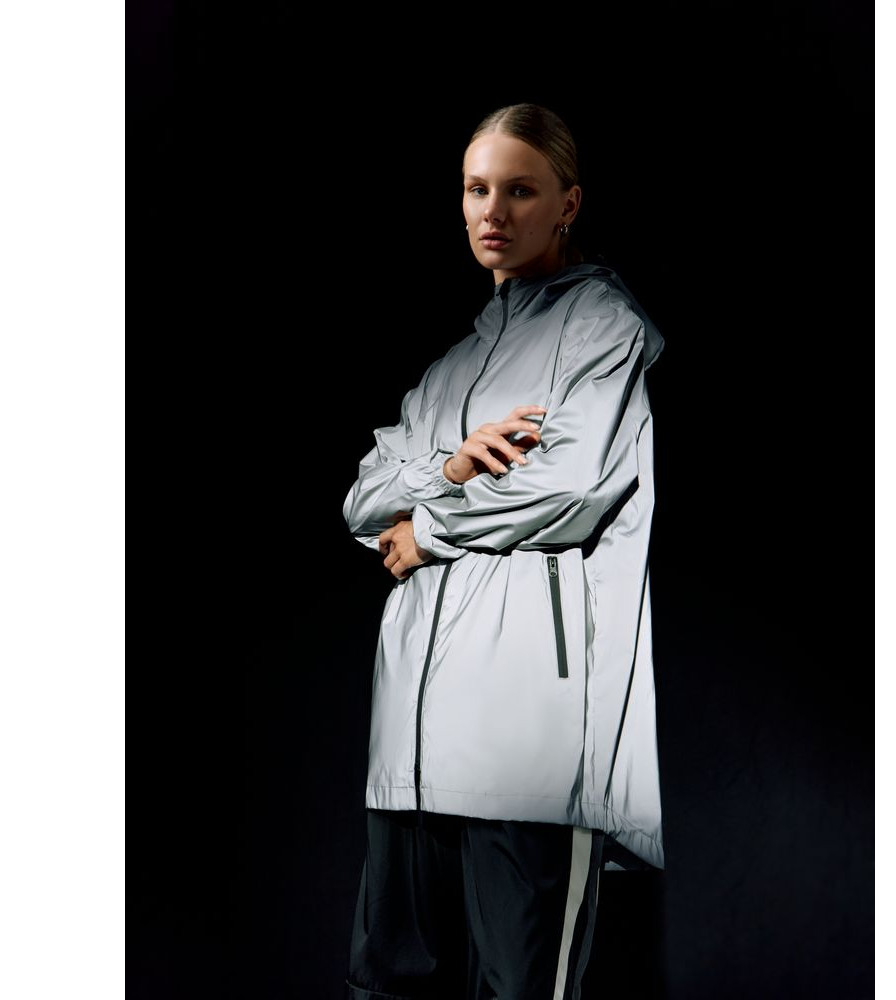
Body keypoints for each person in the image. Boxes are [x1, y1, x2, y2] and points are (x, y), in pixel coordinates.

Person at [341, 102, 665, 1000]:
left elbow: (569, 488)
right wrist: (449, 464)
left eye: (520, 191)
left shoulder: (602, 328)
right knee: (388, 983)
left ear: (568, 204)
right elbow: (363, 498)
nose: (493, 212)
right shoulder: (451, 368)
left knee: (518, 988)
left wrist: (430, 526)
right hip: (407, 750)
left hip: (527, 748)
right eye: (476, 189)